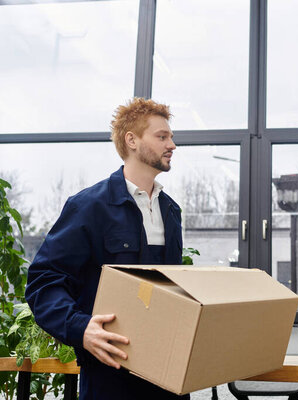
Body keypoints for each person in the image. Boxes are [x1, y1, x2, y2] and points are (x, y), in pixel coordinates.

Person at [25, 98, 189, 400]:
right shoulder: (89, 207)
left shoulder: (171, 211)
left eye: (171, 137)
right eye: (162, 136)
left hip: (168, 378)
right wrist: (81, 328)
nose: (172, 145)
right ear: (132, 140)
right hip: (109, 379)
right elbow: (43, 282)